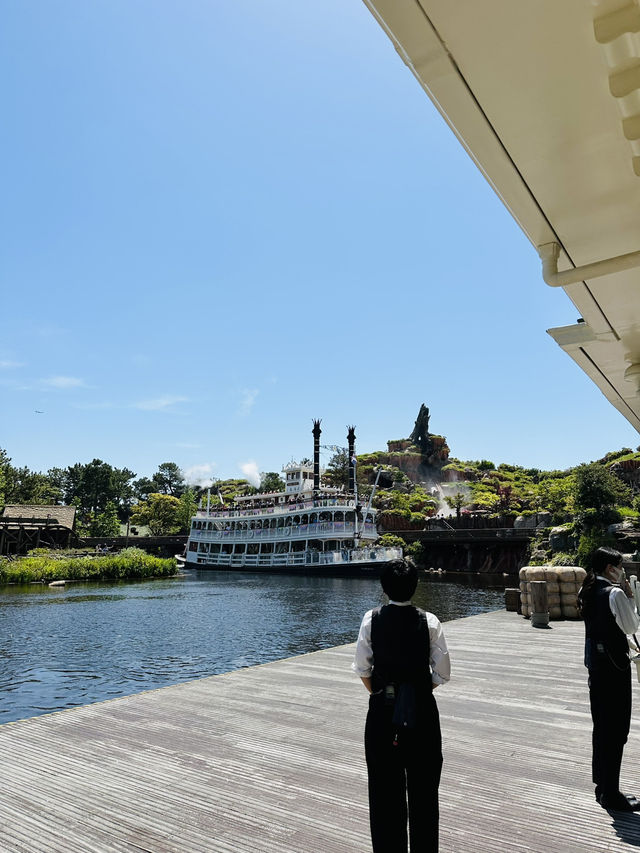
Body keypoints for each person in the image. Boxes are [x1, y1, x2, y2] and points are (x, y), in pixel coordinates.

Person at [352, 558, 450, 852]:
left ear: (384, 588)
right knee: (424, 792)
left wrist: (380, 693)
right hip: (422, 712)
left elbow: (362, 669)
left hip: (382, 712)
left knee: (384, 792)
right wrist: (418, 690)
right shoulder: (429, 621)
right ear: (415, 586)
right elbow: (442, 673)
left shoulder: (372, 619)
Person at [578, 546, 640, 812]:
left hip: (596, 667)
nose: (621, 570)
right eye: (619, 565)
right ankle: (611, 793)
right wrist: (629, 595)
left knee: (602, 726)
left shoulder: (587, 590)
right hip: (615, 668)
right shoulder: (614, 593)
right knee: (617, 730)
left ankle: (602, 786)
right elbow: (631, 626)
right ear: (609, 568)